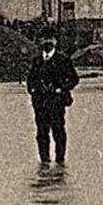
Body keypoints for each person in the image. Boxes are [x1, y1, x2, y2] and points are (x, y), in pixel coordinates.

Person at [26, 26, 79, 164]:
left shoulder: (63, 59)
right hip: (41, 103)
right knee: (41, 132)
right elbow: (30, 80)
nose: (47, 42)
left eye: (51, 39)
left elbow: (74, 79)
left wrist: (61, 88)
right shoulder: (36, 60)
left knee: (58, 131)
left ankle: (60, 160)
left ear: (55, 41)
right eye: (44, 39)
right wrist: (34, 92)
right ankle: (44, 160)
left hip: (56, 102)